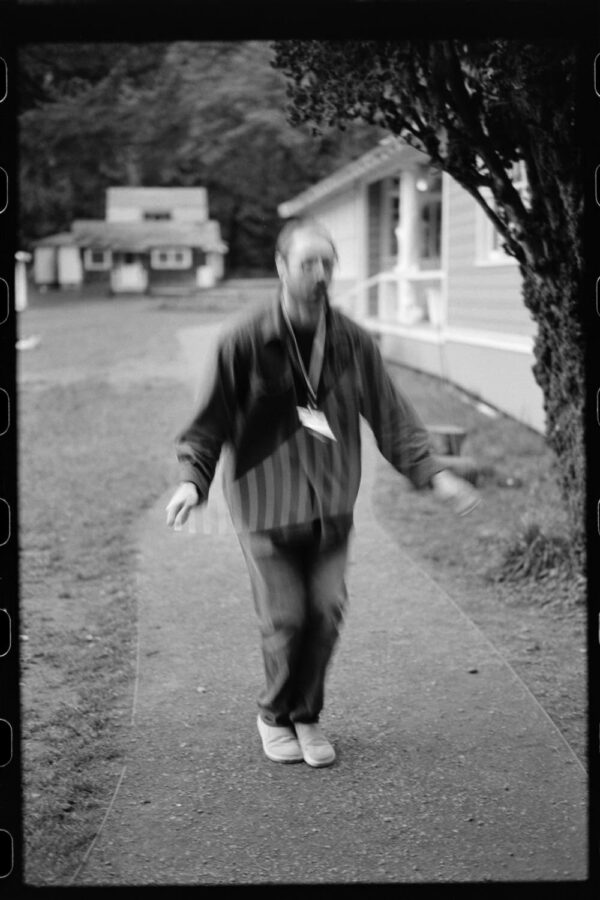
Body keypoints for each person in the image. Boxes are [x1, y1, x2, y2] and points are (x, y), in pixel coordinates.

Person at [166, 216, 480, 768]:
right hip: (264, 505)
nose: (319, 273)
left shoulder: (351, 342)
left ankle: (306, 715)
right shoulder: (243, 340)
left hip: (331, 504)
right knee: (286, 617)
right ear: (281, 267)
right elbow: (209, 421)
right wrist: (194, 480)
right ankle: (273, 715)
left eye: (327, 263)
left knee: (327, 612)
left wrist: (435, 473)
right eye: (307, 262)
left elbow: (391, 415)